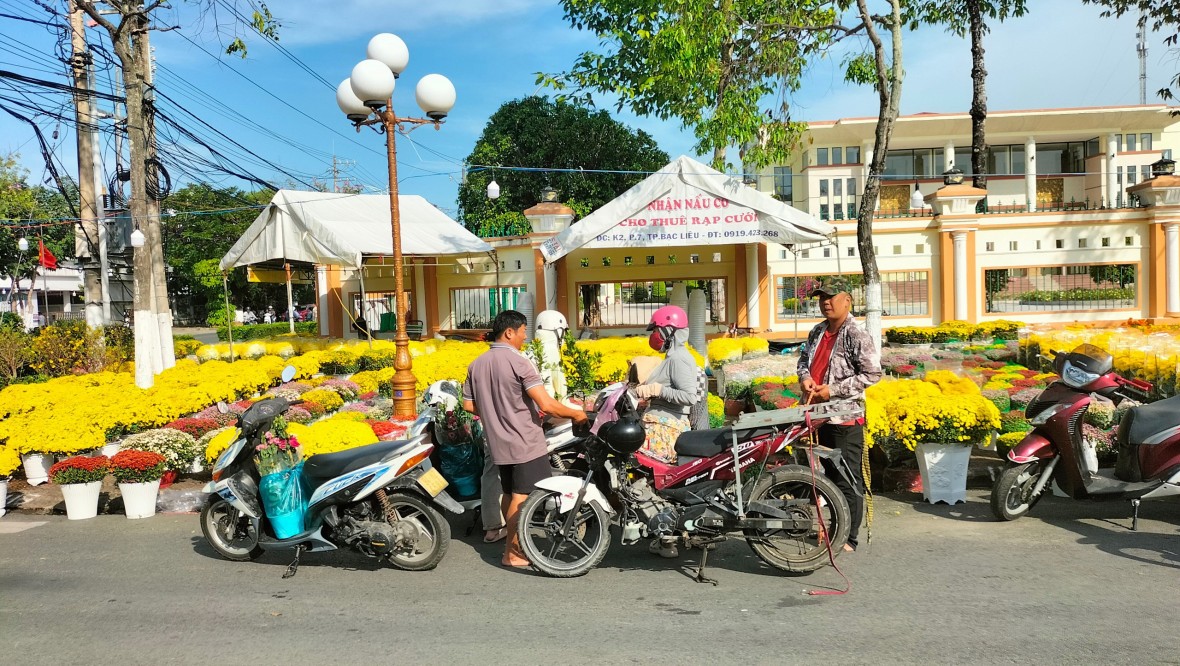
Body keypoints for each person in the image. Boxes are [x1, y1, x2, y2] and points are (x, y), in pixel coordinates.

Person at [463, 309, 587, 568]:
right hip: (524, 441)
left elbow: (468, 406)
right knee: (523, 498)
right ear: (509, 332)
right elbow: (546, 404)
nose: (524, 338)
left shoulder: (476, 364)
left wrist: (496, 412)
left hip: (498, 441)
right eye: (522, 333)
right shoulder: (519, 362)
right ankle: (513, 553)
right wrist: (576, 414)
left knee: (509, 493)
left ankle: (512, 546)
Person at [795, 278, 882, 553]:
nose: (826, 302)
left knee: (846, 478)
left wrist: (832, 390)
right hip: (815, 415)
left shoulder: (856, 333)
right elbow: (802, 361)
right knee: (823, 477)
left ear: (848, 300)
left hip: (843, 417)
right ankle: (831, 528)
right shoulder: (817, 331)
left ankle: (848, 536)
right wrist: (806, 379)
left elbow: (872, 374)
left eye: (832, 297)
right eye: (822, 298)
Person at [634, 305, 700, 464]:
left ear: (669, 331)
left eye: (656, 330)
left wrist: (658, 390)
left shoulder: (678, 359)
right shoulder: (672, 357)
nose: (654, 335)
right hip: (659, 428)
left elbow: (690, 397)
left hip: (665, 431)